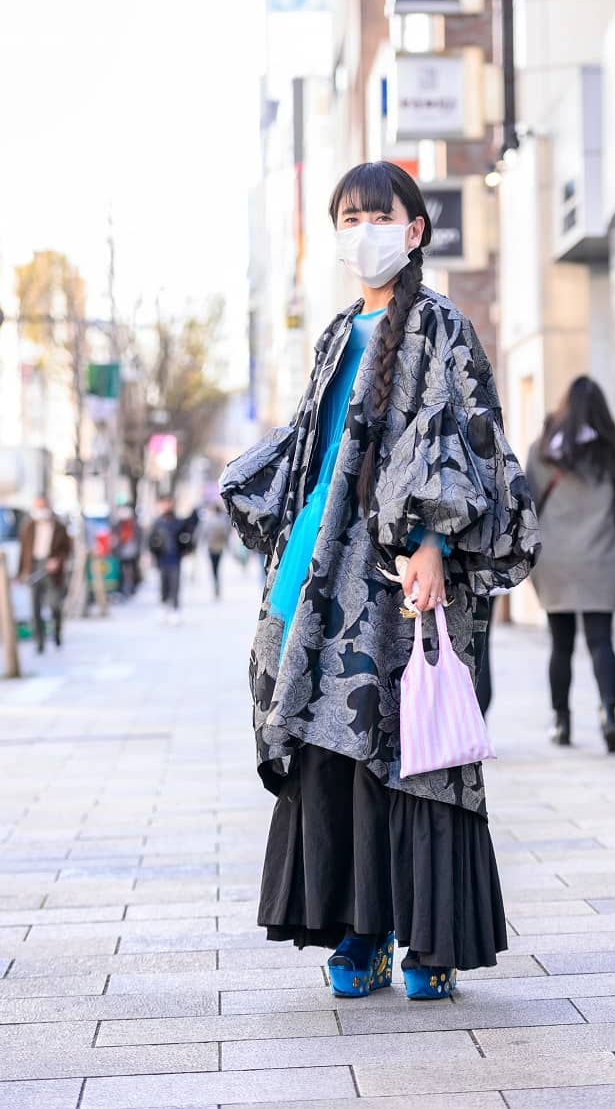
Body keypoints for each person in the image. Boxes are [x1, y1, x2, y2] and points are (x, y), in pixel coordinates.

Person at [221, 161, 541, 1001]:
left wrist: (432, 538)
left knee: (417, 749)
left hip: (404, 573)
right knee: (334, 748)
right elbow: (313, 456)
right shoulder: (334, 334)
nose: (363, 231)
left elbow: (465, 439)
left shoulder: (441, 326)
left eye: (378, 215)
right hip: (322, 575)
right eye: (349, 217)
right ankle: (360, 932)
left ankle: (427, 943)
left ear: (415, 229)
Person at [526, 376, 615, 754]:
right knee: (602, 642)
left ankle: (562, 721)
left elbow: (529, 506)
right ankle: (608, 715)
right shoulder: (611, 452)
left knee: (561, 645)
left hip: (555, 559)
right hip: (602, 556)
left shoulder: (542, 449)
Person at [17, 495, 72, 653]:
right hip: (34, 566)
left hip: (52, 569)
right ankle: (39, 642)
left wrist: (57, 562)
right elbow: (24, 551)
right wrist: (20, 572)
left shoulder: (59, 527)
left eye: (42, 506)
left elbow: (67, 550)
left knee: (55, 604)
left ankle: (56, 633)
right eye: (37, 506)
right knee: (35, 607)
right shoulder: (28, 527)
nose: (39, 510)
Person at [148, 497, 186, 623]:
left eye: (168, 503)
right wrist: (154, 552)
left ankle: (175, 610)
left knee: (175, 585)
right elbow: (151, 541)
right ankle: (164, 607)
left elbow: (186, 538)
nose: (166, 506)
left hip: (175, 559)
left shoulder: (178, 522)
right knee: (164, 585)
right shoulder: (157, 523)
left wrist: (185, 549)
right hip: (162, 559)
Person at [112, 503, 141, 599]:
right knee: (120, 571)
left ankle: (132, 587)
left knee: (133, 570)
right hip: (121, 552)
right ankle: (120, 589)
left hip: (132, 552)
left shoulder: (134, 525)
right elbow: (114, 538)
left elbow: (139, 538)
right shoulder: (117, 526)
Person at [203, 503, 229, 598]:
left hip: (211, 547)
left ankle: (215, 581)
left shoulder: (208, 521)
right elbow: (226, 535)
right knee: (217, 566)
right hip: (220, 548)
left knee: (213, 567)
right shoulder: (223, 522)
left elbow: (203, 533)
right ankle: (217, 582)